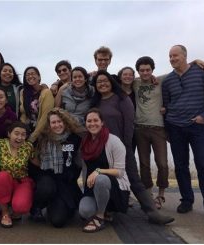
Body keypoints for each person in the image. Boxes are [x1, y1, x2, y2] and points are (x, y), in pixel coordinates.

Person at [91, 70, 174, 225]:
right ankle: (108, 210)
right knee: (106, 180)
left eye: (105, 80)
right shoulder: (95, 102)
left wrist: (125, 146)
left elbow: (129, 124)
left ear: (111, 82)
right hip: (101, 150)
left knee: (134, 180)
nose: (102, 83)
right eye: (98, 82)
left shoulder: (121, 99)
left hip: (121, 147)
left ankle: (152, 213)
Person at [162, 45, 204, 214]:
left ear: (185, 56)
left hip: (198, 127)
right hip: (175, 127)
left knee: (203, 164)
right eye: (170, 56)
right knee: (181, 166)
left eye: (175, 55)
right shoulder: (167, 81)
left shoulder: (201, 72)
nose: (172, 59)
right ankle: (187, 200)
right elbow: (166, 105)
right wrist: (167, 128)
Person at [30, 107, 84, 227]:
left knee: (58, 221)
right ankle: (36, 206)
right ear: (49, 125)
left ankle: (55, 205)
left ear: (65, 122)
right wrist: (39, 165)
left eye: (59, 121)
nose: (57, 125)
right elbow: (30, 155)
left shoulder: (74, 138)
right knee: (46, 187)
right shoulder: (42, 138)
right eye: (53, 122)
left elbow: (79, 162)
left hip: (66, 181)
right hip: (47, 178)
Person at [79, 108, 130, 233]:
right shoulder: (85, 142)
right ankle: (104, 209)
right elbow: (84, 166)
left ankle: (100, 216)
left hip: (114, 188)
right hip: (91, 187)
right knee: (85, 212)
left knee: (101, 179)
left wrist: (99, 171)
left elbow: (120, 172)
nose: (92, 123)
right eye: (89, 121)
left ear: (102, 122)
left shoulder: (113, 141)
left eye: (96, 120)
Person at [133, 56, 169, 209]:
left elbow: (179, 70)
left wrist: (196, 62)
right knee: (144, 163)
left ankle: (161, 194)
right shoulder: (135, 83)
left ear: (153, 70)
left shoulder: (161, 80)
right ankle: (149, 194)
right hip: (140, 128)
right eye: (142, 70)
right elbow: (119, 78)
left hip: (158, 128)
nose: (145, 73)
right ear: (138, 71)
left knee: (162, 163)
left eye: (148, 70)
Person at [0, 121, 35, 228]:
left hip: (21, 181)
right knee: (2, 176)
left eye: (23, 134)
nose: (20, 137)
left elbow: (37, 162)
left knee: (21, 207)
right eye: (16, 133)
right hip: (4, 181)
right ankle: (5, 212)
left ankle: (15, 208)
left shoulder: (28, 147)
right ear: (9, 134)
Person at [19, 66, 54, 143]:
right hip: (27, 131)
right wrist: (21, 131)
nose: (30, 76)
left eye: (33, 74)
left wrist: (33, 136)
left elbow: (45, 116)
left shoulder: (46, 92)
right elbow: (24, 114)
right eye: (27, 75)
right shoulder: (23, 92)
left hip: (42, 132)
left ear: (39, 77)